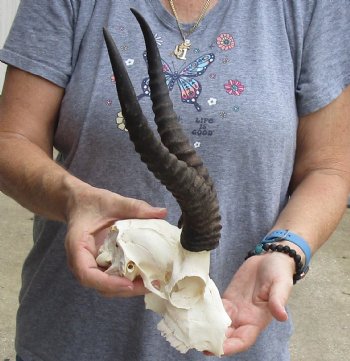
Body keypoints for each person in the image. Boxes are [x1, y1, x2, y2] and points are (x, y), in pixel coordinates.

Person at [0, 0, 349, 360]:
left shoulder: (314, 7)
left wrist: (285, 250)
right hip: (72, 339)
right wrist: (71, 198)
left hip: (235, 337)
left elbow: (329, 168)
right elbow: (12, 140)